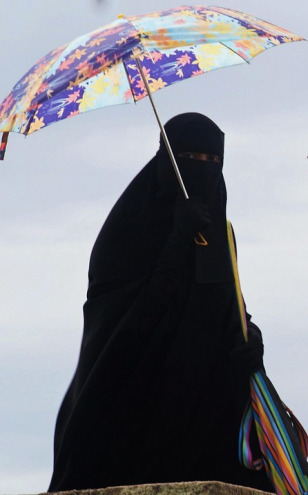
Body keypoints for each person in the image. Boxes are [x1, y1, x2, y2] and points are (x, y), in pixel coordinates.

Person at [49, 113, 273, 492]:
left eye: (212, 162)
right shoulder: (126, 231)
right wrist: (176, 240)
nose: (202, 169)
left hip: (208, 417)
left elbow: (226, 304)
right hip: (137, 413)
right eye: (189, 157)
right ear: (166, 161)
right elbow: (127, 326)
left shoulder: (217, 227)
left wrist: (250, 337)